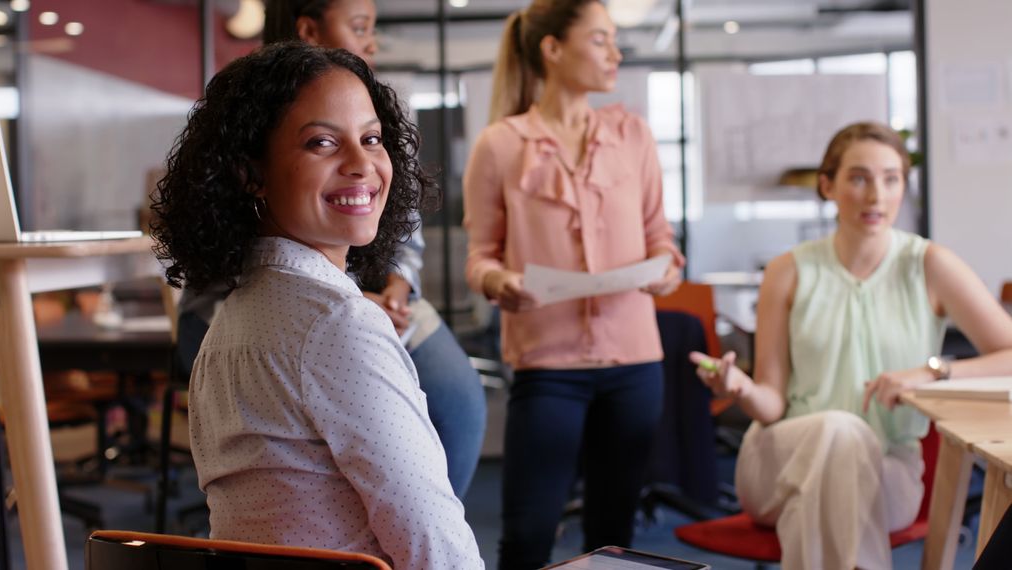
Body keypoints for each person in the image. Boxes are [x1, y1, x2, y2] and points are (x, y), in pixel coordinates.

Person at [150, 42, 484, 569]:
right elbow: (435, 546)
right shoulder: (338, 325)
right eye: (322, 143)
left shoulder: (226, 327)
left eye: (372, 139)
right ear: (249, 172)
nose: (362, 164)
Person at [690, 122, 1012, 569]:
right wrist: (740, 388)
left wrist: (933, 371)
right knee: (837, 434)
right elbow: (770, 404)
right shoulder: (788, 271)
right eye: (858, 177)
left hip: (888, 471)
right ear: (828, 185)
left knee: (823, 491)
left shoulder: (930, 265)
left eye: (891, 178)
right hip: (779, 460)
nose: (876, 195)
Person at [462, 1, 685, 568]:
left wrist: (665, 269)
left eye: (615, 41)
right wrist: (501, 280)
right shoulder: (500, 145)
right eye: (600, 40)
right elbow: (480, 257)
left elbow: (662, 237)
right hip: (548, 368)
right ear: (553, 49)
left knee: (616, 537)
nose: (615, 53)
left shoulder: (633, 135)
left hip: (635, 365)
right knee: (529, 534)